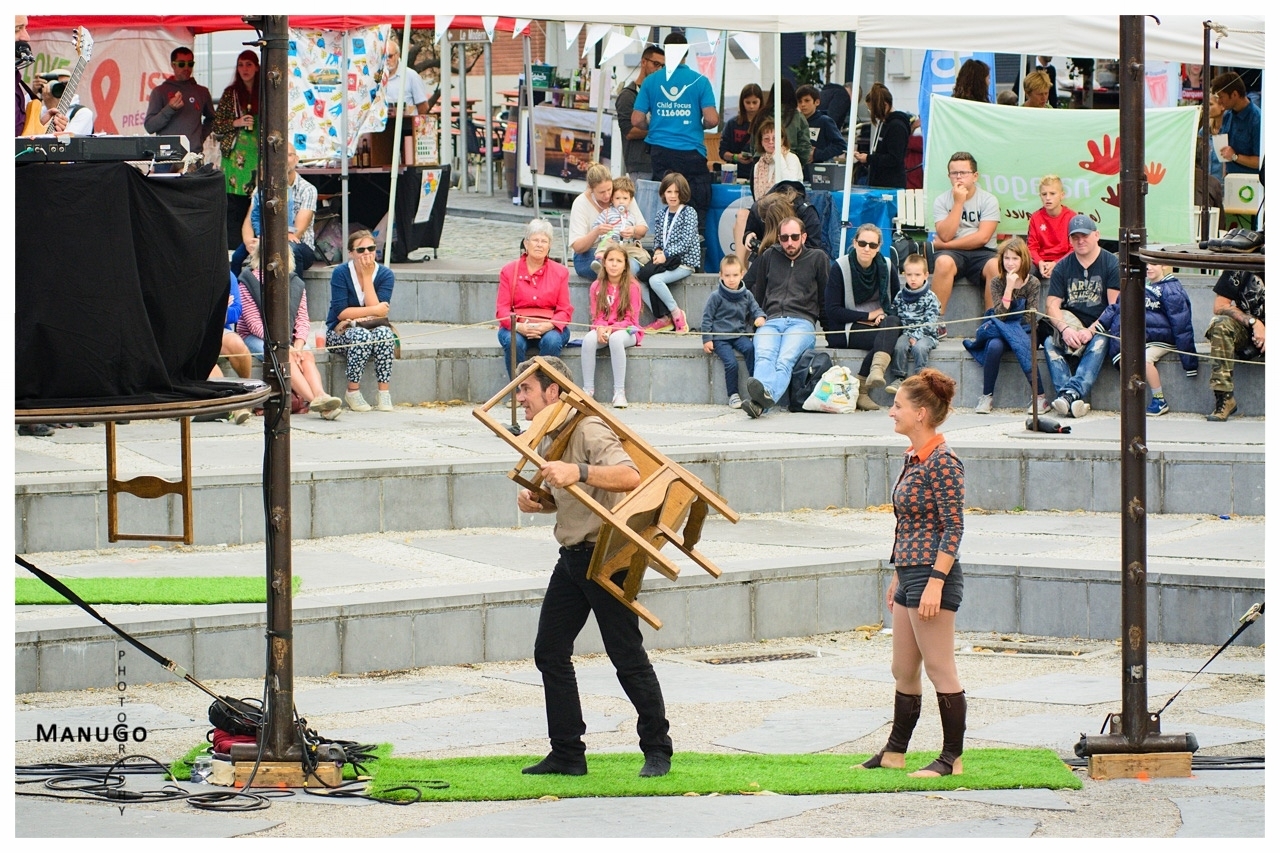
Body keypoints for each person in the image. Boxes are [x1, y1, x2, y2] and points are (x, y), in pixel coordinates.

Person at [514, 356, 672, 779]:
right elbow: (568, 495)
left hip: (606, 556)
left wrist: (576, 469)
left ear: (553, 392)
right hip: (572, 558)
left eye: (526, 389)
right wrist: (539, 501)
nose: (519, 398)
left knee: (626, 656)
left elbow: (628, 476)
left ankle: (658, 748)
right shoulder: (552, 434)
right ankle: (567, 752)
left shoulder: (588, 426)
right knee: (549, 651)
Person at [860, 368, 965, 778]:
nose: (891, 412)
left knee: (940, 668)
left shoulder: (943, 460)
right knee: (903, 669)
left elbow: (953, 527)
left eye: (898, 405)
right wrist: (898, 575)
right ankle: (894, 751)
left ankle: (951, 758)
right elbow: (910, 523)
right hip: (911, 572)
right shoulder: (914, 457)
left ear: (920, 413)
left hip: (933, 576)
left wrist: (935, 583)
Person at [237, 243, 343, 420]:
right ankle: (316, 401)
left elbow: (302, 319)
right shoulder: (247, 280)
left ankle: (321, 395)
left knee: (306, 356)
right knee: (285, 356)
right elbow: (254, 324)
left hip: (289, 339)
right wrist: (286, 346)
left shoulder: (295, 282)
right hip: (254, 336)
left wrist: (299, 344)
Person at [631, 32, 719, 232]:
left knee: (664, 204)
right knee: (694, 206)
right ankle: (694, 252)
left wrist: (653, 126)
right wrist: (699, 124)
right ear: (687, 52)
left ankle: (661, 253)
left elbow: (636, 119)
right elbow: (712, 119)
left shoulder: (651, 81)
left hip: (661, 153)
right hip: (692, 153)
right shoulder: (700, 81)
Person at [742, 216, 829, 418]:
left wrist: (830, 332)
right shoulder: (769, 256)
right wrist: (756, 320)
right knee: (764, 356)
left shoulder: (818, 258)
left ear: (804, 237)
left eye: (794, 237)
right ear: (778, 238)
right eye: (784, 238)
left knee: (784, 360)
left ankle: (763, 399)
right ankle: (760, 404)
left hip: (802, 322)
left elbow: (825, 297)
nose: (789, 242)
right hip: (770, 320)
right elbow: (758, 293)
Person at [1092, 263, 1198, 417]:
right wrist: (1101, 325)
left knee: (1144, 360)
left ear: (1164, 266)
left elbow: (1182, 324)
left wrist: (1190, 362)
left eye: (1154, 264)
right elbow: (1117, 307)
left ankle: (1159, 400)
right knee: (1124, 357)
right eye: (1145, 264)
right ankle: (1132, 400)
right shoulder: (1138, 286)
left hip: (1163, 337)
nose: (1148, 268)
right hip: (1142, 336)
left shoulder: (1171, 289)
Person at [1042, 215, 1120, 419]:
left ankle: (1069, 394)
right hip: (1071, 323)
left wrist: (1091, 330)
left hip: (1101, 325)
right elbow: (1052, 304)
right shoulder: (1062, 266)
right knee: (1050, 342)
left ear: (1096, 235)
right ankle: (1072, 399)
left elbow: (1114, 306)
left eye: (1084, 235)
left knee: (1101, 340)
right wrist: (1065, 329)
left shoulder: (1111, 263)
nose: (1080, 240)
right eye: (1075, 237)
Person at [963, 237, 1051, 415]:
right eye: (1007, 258)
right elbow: (1001, 315)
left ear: (1023, 259)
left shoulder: (1032, 282)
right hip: (1002, 325)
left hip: (1024, 329)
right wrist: (1009, 287)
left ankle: (1040, 397)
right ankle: (987, 396)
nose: (1010, 263)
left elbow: (1030, 315)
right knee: (994, 345)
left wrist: (1011, 329)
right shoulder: (997, 282)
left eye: (1015, 259)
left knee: (1021, 344)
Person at [822, 223, 902, 411]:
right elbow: (832, 310)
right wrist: (867, 315)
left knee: (892, 323)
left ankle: (868, 379)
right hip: (846, 327)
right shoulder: (840, 267)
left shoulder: (888, 267)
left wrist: (882, 315)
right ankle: (866, 383)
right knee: (887, 338)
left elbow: (897, 304)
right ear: (855, 243)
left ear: (878, 248)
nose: (867, 248)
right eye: (863, 243)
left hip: (880, 324)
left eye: (872, 245)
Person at [326, 229, 397, 413]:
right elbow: (341, 312)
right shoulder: (341, 273)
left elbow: (378, 318)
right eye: (361, 250)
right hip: (340, 331)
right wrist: (373, 310)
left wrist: (367, 277)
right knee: (361, 335)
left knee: (384, 334)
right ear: (351, 253)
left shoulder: (385, 275)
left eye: (371, 248)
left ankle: (383, 392)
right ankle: (352, 390)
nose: (367, 253)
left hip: (374, 328)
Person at [930, 151, 1000, 334]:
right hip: (953, 255)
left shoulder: (988, 200)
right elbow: (945, 234)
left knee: (996, 266)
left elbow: (982, 237)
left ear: (975, 176)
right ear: (949, 176)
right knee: (943, 262)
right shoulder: (941, 200)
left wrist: (944, 246)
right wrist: (958, 203)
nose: (959, 177)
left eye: (964, 173)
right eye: (954, 173)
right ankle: (936, 321)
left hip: (983, 252)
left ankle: (990, 323)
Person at [497, 218, 573, 377]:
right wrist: (518, 327)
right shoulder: (509, 271)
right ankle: (518, 391)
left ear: (549, 245)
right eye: (535, 240)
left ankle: (542, 391)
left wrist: (548, 325)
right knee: (514, 341)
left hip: (550, 325)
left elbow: (564, 310)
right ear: (526, 243)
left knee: (552, 341)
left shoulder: (560, 272)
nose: (539, 244)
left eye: (544, 241)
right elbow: (502, 310)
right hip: (517, 324)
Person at [232, 142, 317, 274]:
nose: (283, 159)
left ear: (296, 159)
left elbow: (297, 230)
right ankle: (234, 293)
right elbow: (249, 220)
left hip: (298, 244)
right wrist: (249, 242)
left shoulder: (307, 190)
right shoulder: (262, 189)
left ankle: (296, 293)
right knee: (237, 256)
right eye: (279, 155)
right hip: (265, 238)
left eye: (288, 155)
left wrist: (271, 241)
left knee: (291, 250)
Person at [581, 243, 643, 408]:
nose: (614, 264)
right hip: (604, 328)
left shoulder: (632, 287)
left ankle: (619, 392)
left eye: (619, 261)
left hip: (628, 330)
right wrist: (600, 328)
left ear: (625, 265)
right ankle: (587, 390)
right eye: (611, 260)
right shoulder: (596, 286)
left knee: (616, 339)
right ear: (604, 263)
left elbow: (631, 318)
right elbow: (597, 316)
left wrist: (612, 328)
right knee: (588, 339)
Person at [638, 172, 699, 334]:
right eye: (669, 192)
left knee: (656, 280)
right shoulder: (661, 214)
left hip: (684, 262)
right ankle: (662, 319)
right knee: (640, 278)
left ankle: (676, 313)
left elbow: (686, 243)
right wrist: (658, 250)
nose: (672, 196)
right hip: (665, 261)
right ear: (663, 193)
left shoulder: (689, 212)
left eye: (677, 192)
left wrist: (666, 254)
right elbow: (658, 239)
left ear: (683, 193)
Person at [702, 254, 765, 408]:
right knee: (731, 363)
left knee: (750, 349)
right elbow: (707, 318)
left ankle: (754, 383)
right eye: (727, 275)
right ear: (721, 276)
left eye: (735, 275)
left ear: (742, 274)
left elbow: (756, 309)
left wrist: (760, 317)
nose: (731, 279)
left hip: (739, 334)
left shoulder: (746, 294)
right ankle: (733, 394)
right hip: (720, 337)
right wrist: (707, 339)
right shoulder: (716, 296)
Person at [212, 50, 260, 249]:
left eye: (249, 64)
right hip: (234, 156)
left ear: (257, 67)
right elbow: (216, 126)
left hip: (257, 155)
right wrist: (236, 122)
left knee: (256, 201)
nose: (244, 69)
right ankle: (233, 248)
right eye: (241, 65)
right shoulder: (230, 93)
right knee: (234, 204)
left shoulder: (265, 92)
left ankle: (255, 246)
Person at [568, 164, 648, 280]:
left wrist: (633, 231)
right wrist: (596, 232)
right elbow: (578, 247)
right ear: (590, 189)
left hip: (623, 248)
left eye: (609, 190)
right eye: (601, 192)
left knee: (632, 267)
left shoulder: (622, 195)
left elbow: (643, 229)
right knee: (615, 268)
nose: (607, 195)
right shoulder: (581, 203)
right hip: (591, 253)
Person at [1204, 269, 1264, 422]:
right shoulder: (1241, 261)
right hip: (1248, 331)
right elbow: (1220, 306)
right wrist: (1254, 323)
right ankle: (1224, 398)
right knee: (1220, 324)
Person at [886, 254, 942, 396]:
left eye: (917, 275)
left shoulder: (930, 297)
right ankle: (899, 377)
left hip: (926, 334)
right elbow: (894, 312)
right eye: (909, 274)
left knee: (919, 348)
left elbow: (931, 322)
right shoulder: (900, 295)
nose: (913, 278)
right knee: (899, 346)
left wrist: (916, 336)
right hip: (906, 332)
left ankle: (921, 379)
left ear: (925, 275)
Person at [144, 46, 215, 151]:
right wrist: (170, 109)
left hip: (192, 154)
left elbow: (212, 119)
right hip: (166, 156)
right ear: (173, 65)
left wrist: (200, 137)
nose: (186, 68)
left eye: (190, 64)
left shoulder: (202, 92)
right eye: (181, 64)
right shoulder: (160, 92)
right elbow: (150, 127)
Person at [737, 181, 824, 265]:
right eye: (764, 220)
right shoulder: (759, 208)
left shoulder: (807, 213)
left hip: (798, 264)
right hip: (765, 260)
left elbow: (813, 251)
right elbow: (750, 229)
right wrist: (748, 236)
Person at [616, 45, 663, 181]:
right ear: (643, 62)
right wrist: (661, 129)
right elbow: (629, 132)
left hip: (660, 162)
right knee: (642, 202)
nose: (659, 69)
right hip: (640, 164)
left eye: (663, 66)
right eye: (656, 64)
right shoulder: (628, 95)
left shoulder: (661, 94)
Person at [852, 83, 910, 189]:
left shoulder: (896, 126)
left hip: (890, 184)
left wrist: (869, 158)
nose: (872, 113)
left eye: (872, 109)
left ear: (885, 105)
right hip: (879, 182)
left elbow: (894, 158)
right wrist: (866, 157)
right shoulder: (884, 123)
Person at [753, 80, 812, 179]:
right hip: (789, 162)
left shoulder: (760, 115)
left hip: (762, 163)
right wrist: (799, 162)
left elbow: (753, 144)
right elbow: (805, 146)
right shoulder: (798, 117)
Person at [1210, 72, 1260, 176]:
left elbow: (1260, 161)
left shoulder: (1257, 120)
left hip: (1250, 183)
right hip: (1229, 179)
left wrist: (1235, 157)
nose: (1219, 101)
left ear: (1234, 94)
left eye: (1221, 96)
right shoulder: (1228, 115)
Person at [1027, 175, 1076, 282]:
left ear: (1062, 195)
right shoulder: (1036, 217)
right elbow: (1031, 247)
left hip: (1064, 261)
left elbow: (1074, 249)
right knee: (1025, 270)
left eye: (1052, 193)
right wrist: (1040, 263)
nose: (1048, 198)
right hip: (1040, 262)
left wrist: (1056, 263)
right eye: (1044, 194)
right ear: (1040, 196)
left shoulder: (1071, 217)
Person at [590, 175, 638, 272]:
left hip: (625, 245)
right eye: (617, 198)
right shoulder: (607, 213)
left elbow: (635, 233)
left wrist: (632, 232)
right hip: (611, 241)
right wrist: (604, 235)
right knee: (604, 246)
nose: (621, 201)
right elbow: (596, 227)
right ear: (612, 199)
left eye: (625, 198)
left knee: (640, 253)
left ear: (630, 200)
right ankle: (599, 262)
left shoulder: (631, 216)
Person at [750, 118, 803, 201]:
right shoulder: (758, 164)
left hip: (788, 207)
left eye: (775, 138)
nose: (771, 142)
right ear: (761, 142)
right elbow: (757, 197)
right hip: (764, 208)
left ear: (782, 140)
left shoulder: (792, 158)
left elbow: (791, 187)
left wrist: (779, 157)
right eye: (766, 139)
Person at [795, 83, 845, 165]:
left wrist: (817, 154)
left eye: (807, 100)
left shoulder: (824, 121)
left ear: (817, 102)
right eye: (799, 101)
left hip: (819, 169)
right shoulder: (795, 122)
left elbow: (841, 145)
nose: (803, 105)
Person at [719, 83, 762, 170]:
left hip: (760, 172)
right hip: (736, 172)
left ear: (761, 102)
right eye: (747, 102)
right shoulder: (732, 124)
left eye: (754, 102)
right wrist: (736, 157)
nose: (751, 106)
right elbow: (722, 152)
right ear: (742, 102)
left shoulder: (766, 124)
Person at [382, 39, 429, 117]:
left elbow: (423, 106)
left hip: (406, 124)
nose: (387, 59)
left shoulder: (411, 76)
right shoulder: (376, 76)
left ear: (397, 55)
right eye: (384, 56)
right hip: (382, 125)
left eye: (390, 56)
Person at [37, 69, 93, 134]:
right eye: (57, 85)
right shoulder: (40, 111)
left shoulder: (83, 113)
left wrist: (52, 108)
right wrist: (33, 92)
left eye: (66, 84)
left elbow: (67, 141)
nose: (63, 88)